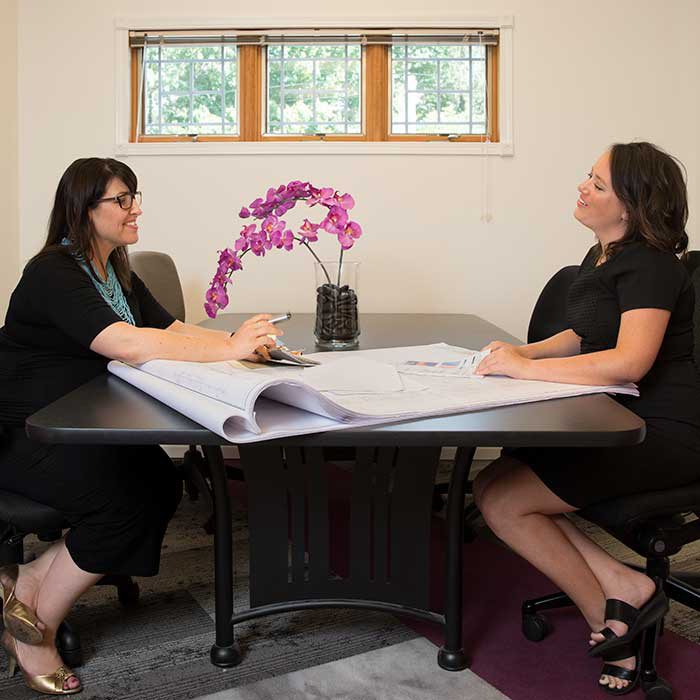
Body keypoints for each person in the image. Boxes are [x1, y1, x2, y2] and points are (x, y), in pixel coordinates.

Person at [0, 157, 281, 695]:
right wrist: (229, 347)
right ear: (84, 209)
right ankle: (35, 633)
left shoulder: (117, 269)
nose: (136, 209)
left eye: (135, 197)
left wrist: (243, 348)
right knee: (120, 503)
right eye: (122, 200)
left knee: (158, 481)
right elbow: (124, 342)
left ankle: (28, 579)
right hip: (25, 433)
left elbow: (172, 328)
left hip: (79, 423)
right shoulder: (54, 270)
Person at [473, 142, 699, 696]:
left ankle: (612, 617)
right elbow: (582, 334)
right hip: (615, 415)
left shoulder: (649, 265)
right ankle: (625, 580)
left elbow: (629, 359)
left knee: (504, 501)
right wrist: (524, 353)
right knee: (492, 480)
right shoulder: (604, 255)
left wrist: (524, 374)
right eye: (588, 177)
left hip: (659, 432)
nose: (582, 188)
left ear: (630, 205)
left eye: (597, 185)